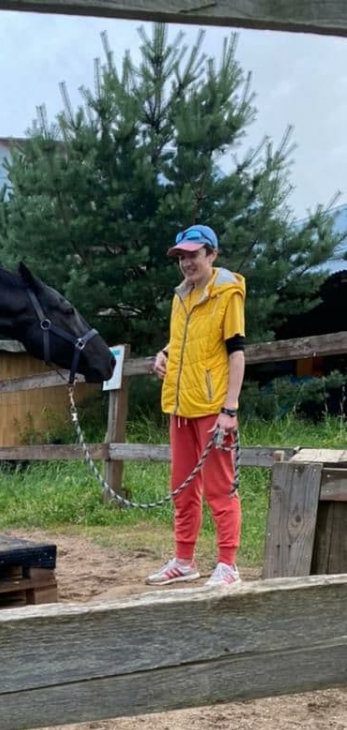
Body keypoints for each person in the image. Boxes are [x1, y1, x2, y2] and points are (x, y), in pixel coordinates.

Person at [148, 223, 246, 587]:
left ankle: (228, 564)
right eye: (182, 257)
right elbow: (183, 341)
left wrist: (229, 410)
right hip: (179, 406)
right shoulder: (181, 296)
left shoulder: (227, 293)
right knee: (182, 487)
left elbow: (236, 354)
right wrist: (164, 353)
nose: (187, 263)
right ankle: (184, 560)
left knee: (220, 488)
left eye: (194, 254)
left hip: (212, 406)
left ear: (212, 254)